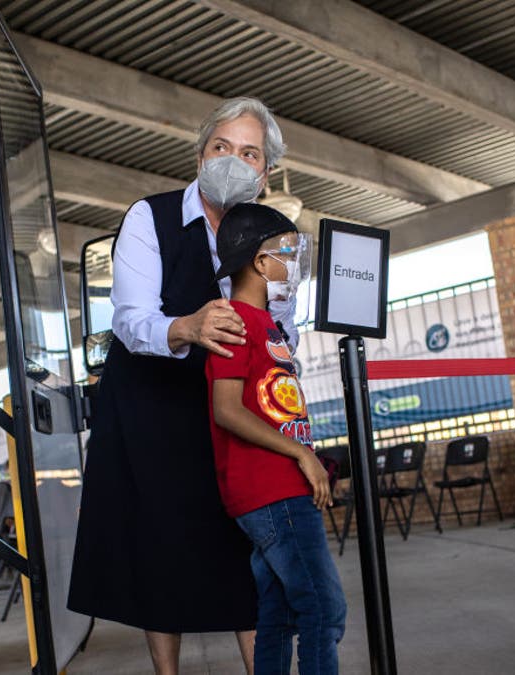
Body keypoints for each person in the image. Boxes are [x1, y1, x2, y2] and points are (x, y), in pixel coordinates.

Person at [68, 97, 299, 674]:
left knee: (249, 550)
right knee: (160, 547)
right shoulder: (150, 217)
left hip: (233, 405)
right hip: (153, 404)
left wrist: (275, 349)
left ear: (265, 172)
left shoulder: (276, 239)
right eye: (222, 147)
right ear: (200, 156)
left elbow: (286, 327)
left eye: (249, 153)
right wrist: (187, 326)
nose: (233, 160)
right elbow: (128, 316)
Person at [205, 203, 346, 675]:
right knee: (324, 611)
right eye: (287, 251)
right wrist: (300, 454)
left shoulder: (269, 325)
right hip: (271, 491)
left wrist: (302, 458)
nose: (294, 262)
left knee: (280, 613)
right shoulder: (235, 321)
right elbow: (226, 409)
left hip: (281, 487)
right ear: (260, 263)